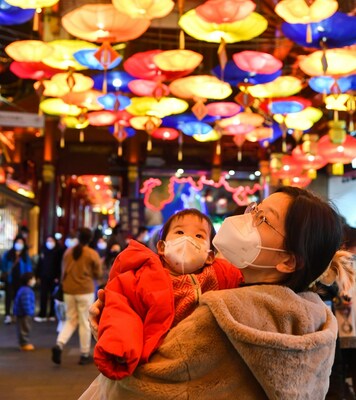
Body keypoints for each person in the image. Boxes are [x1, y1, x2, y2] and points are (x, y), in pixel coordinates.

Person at [81, 186, 355, 400]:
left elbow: (135, 388)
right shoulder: (315, 316)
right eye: (255, 208)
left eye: (262, 219)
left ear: (288, 261)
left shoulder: (220, 316)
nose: (247, 218)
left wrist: (106, 329)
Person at [93, 209, 244, 380]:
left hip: (204, 369)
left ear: (209, 256)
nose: (187, 239)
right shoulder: (142, 277)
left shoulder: (220, 274)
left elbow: (247, 286)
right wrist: (119, 348)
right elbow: (122, 310)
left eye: (199, 236)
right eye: (179, 232)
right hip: (156, 362)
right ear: (162, 247)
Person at [51, 227, 102, 366]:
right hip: (85, 290)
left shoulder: (68, 252)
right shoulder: (92, 253)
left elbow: (63, 273)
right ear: (90, 239)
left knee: (70, 320)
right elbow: (98, 273)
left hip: (68, 290)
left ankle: (59, 344)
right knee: (85, 322)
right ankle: (84, 354)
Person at [1, 236, 33, 324]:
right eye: (18, 242)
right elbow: (3, 264)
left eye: (21, 242)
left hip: (21, 280)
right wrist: (4, 272)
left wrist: (28, 277)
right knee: (8, 297)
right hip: (10, 279)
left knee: (17, 297)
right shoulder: (8, 254)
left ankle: (16, 314)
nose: (19, 244)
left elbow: (28, 267)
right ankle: (8, 314)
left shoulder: (25, 255)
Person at [34, 234, 63, 322]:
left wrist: (58, 276)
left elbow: (60, 266)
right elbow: (39, 264)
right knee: (43, 295)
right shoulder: (43, 251)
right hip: (44, 277)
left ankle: (51, 314)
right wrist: (37, 275)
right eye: (48, 241)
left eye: (52, 241)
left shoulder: (58, 252)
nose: (50, 243)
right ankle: (42, 314)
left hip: (54, 278)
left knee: (53, 296)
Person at [13, 272, 36, 351]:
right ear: (29, 281)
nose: (34, 281)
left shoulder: (24, 289)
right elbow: (25, 303)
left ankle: (24, 343)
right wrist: (29, 312)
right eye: (33, 279)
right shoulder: (26, 291)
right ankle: (24, 344)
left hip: (22, 313)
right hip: (24, 314)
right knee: (24, 328)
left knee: (23, 328)